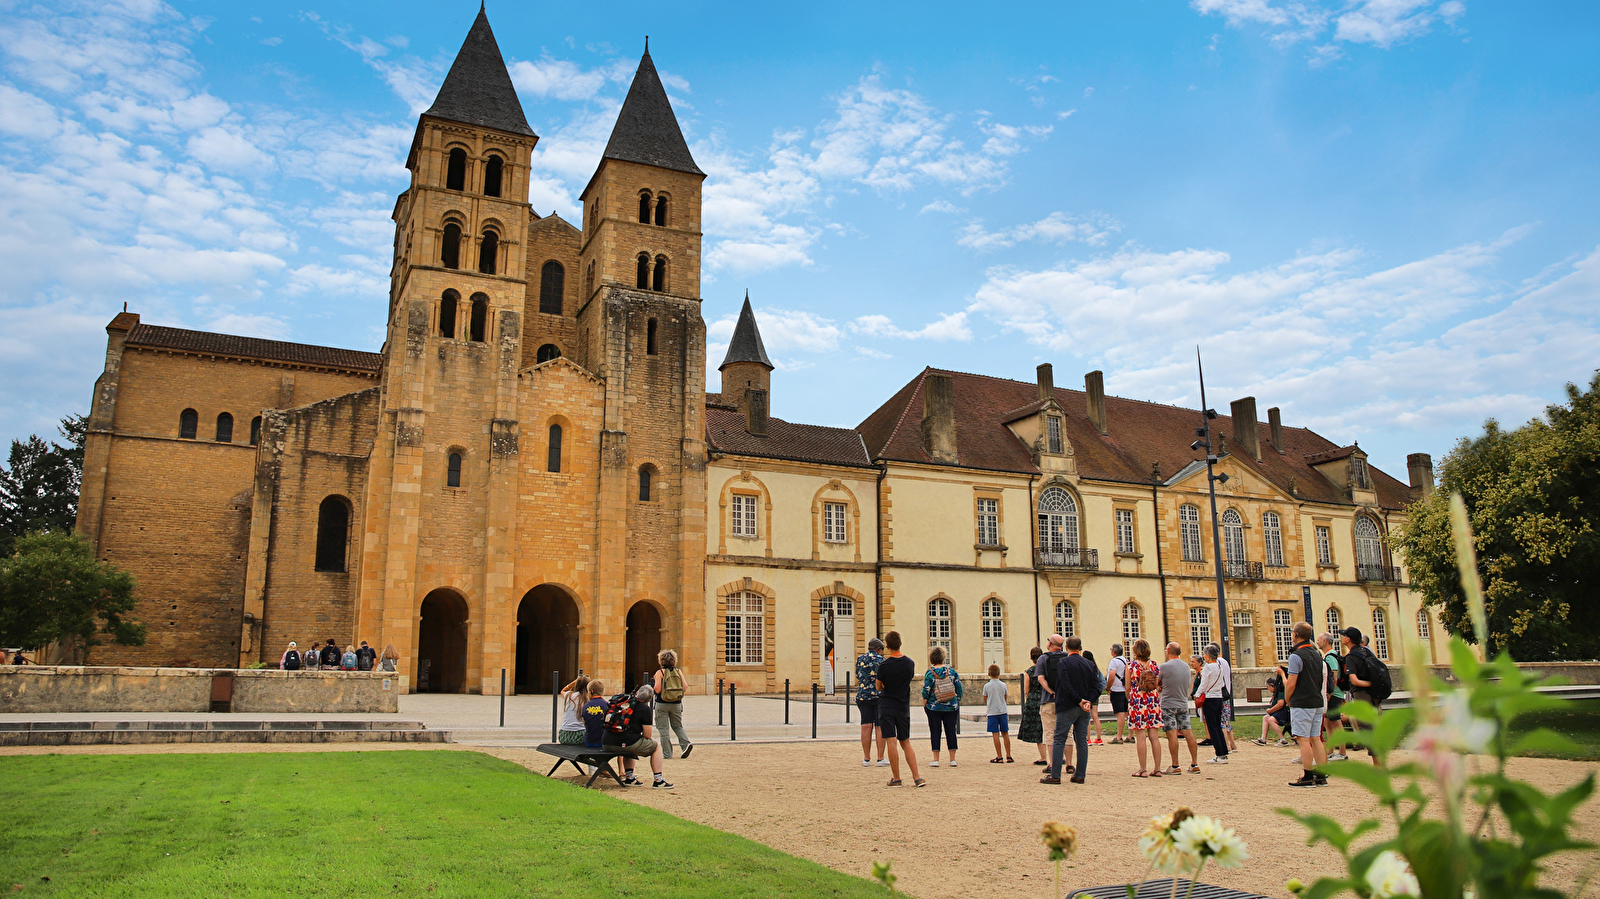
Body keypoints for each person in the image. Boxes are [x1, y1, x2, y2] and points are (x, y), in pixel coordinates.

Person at [1042, 636, 1099, 785]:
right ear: (1080, 648)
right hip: (1084, 707)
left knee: (1059, 739)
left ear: (1066, 647)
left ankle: (1055, 774)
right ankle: (1080, 774)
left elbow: (1065, 684)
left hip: (1068, 705)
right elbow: (1098, 686)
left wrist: (1078, 700)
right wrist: (1088, 700)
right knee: (1081, 741)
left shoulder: (1064, 662)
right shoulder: (1089, 664)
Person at [874, 630, 925, 787]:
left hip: (887, 704)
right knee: (906, 741)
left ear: (887, 646)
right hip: (903, 705)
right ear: (900, 643)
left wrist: (884, 684)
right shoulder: (909, 663)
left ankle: (896, 777)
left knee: (891, 741)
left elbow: (878, 687)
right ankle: (917, 777)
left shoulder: (884, 665)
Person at [602, 684, 673, 788]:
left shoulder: (624, 702)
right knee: (656, 747)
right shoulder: (644, 709)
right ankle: (658, 779)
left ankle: (630, 778)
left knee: (629, 743)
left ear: (637, 693)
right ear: (649, 699)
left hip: (606, 742)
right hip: (625, 743)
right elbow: (647, 735)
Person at [1285, 622, 1328, 787]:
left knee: (1303, 739)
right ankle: (1321, 775)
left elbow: (1291, 683)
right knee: (1315, 738)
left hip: (1302, 701)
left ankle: (1308, 775)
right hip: (1317, 700)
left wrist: (1289, 699)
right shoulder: (1316, 654)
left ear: (1296, 635)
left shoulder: (1296, 656)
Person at [1341, 627, 1382, 766]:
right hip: (1374, 695)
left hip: (1362, 695)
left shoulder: (1352, 657)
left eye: (1344, 636)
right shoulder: (1366, 652)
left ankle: (1378, 766)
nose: (1341, 638)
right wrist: (1374, 684)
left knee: (1367, 729)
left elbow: (1354, 681)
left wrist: (1369, 683)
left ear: (1348, 639)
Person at [1159, 642, 1201, 774]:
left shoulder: (1164, 667)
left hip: (1168, 704)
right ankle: (1194, 763)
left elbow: (1158, 682)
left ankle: (1175, 765)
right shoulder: (1186, 667)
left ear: (1169, 650)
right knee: (1188, 732)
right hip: (1183, 703)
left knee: (1172, 734)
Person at [1126, 638, 1164, 777]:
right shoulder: (1154, 664)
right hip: (1152, 701)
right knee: (1154, 736)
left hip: (1138, 700)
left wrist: (1130, 698)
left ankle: (1143, 769)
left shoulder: (1131, 665)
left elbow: (1128, 686)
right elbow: (1157, 682)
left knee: (1140, 736)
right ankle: (1158, 768)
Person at [922, 646, 963, 767]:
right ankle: (952, 758)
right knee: (951, 731)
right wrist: (957, 700)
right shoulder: (952, 672)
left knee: (935, 731)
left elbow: (926, 690)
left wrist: (925, 703)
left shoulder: (930, 673)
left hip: (934, 707)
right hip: (951, 705)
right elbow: (959, 688)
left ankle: (936, 758)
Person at [649, 649, 693, 760]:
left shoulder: (660, 672)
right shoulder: (678, 671)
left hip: (662, 703)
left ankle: (667, 754)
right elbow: (685, 686)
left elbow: (658, 689)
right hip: (676, 703)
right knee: (678, 726)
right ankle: (685, 744)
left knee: (663, 729)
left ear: (661, 660)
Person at [855, 638, 888, 767]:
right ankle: (880, 758)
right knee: (879, 727)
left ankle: (866, 758)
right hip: (879, 696)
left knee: (866, 726)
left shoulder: (860, 659)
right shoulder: (882, 661)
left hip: (863, 696)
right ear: (878, 649)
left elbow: (858, 675)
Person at [1035, 634, 1066, 767]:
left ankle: (1053, 764)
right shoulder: (1066, 657)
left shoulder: (1043, 658)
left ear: (1049, 644)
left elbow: (1041, 679)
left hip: (1048, 700)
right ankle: (1068, 762)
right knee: (1066, 733)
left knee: (1049, 733)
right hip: (1065, 700)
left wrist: (1051, 692)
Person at [1196, 644, 1229, 764]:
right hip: (1218, 698)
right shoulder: (1219, 666)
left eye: (1205, 654)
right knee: (1217, 726)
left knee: (1212, 727)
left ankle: (1219, 754)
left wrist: (1198, 694)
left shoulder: (1208, 667)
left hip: (1209, 699)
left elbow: (1204, 683)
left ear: (1208, 656)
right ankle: (1223, 752)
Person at [1018, 646, 1048, 765]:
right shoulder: (1046, 670)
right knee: (1048, 729)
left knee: (1037, 731)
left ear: (1031, 657)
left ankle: (1043, 757)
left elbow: (1026, 690)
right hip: (1045, 698)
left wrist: (1028, 701)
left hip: (1033, 700)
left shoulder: (1029, 672)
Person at [983, 664, 1013, 763]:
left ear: (989, 674)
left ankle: (999, 756)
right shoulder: (1003, 685)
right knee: (1005, 733)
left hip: (992, 712)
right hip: (1002, 711)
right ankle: (1008, 755)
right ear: (999, 674)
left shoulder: (987, 686)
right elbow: (1005, 697)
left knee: (995, 734)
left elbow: (985, 699)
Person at [1253, 668, 1291, 745]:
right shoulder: (1277, 691)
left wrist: (1271, 710)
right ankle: (1263, 739)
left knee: (1271, 720)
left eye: (1268, 687)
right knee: (1265, 717)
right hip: (1281, 712)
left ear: (1272, 685)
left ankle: (1282, 739)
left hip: (1285, 712)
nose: (1268, 689)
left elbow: (1280, 704)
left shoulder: (1280, 690)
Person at [1106, 644, 1130, 744]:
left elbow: (1111, 676)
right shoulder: (1126, 660)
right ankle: (1130, 735)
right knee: (1127, 713)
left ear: (1114, 652)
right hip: (1126, 689)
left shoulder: (1114, 661)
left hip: (1117, 689)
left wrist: (1108, 687)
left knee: (1120, 713)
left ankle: (1119, 736)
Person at [557, 675, 591, 745]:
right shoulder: (588, 699)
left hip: (564, 734)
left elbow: (563, 690)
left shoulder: (569, 696)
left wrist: (574, 682)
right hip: (580, 735)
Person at [1082, 649, 1106, 745]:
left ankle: (1088, 739)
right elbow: (1103, 682)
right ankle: (1099, 738)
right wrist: (1098, 691)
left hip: (1086, 694)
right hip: (1094, 694)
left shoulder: (1084, 668)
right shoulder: (1096, 669)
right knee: (1095, 716)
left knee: (1087, 717)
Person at [581, 680, 610, 749]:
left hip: (589, 742)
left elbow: (585, 723)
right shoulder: (607, 706)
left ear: (592, 691)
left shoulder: (586, 706)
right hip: (603, 742)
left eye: (587, 692)